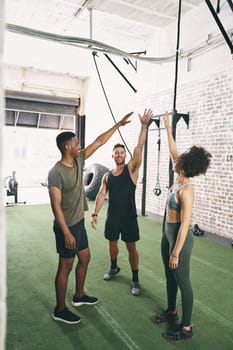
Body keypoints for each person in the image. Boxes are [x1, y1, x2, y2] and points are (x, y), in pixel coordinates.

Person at [48, 111, 133, 324]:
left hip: (79, 222)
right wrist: (66, 232)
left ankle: (79, 296)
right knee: (65, 266)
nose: (79, 144)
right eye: (76, 142)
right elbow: (55, 206)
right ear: (67, 147)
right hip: (66, 226)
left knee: (84, 258)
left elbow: (99, 141)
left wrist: (118, 124)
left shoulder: (78, 159)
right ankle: (59, 309)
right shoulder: (55, 173)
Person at [152, 111, 212, 342]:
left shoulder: (187, 190)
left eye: (180, 161)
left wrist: (176, 252)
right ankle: (171, 311)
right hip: (166, 234)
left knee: (182, 280)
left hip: (180, 238)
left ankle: (187, 327)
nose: (176, 161)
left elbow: (185, 225)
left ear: (187, 167)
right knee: (169, 276)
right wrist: (168, 128)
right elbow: (172, 152)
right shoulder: (178, 177)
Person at [91, 108, 153, 296]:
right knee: (112, 243)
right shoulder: (108, 176)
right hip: (113, 217)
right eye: (116, 152)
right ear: (112, 155)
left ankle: (135, 279)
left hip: (128, 217)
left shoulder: (131, 170)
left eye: (121, 152)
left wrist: (144, 126)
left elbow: (139, 148)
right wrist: (95, 214)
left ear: (125, 155)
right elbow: (102, 194)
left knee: (131, 247)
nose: (119, 154)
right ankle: (114, 267)